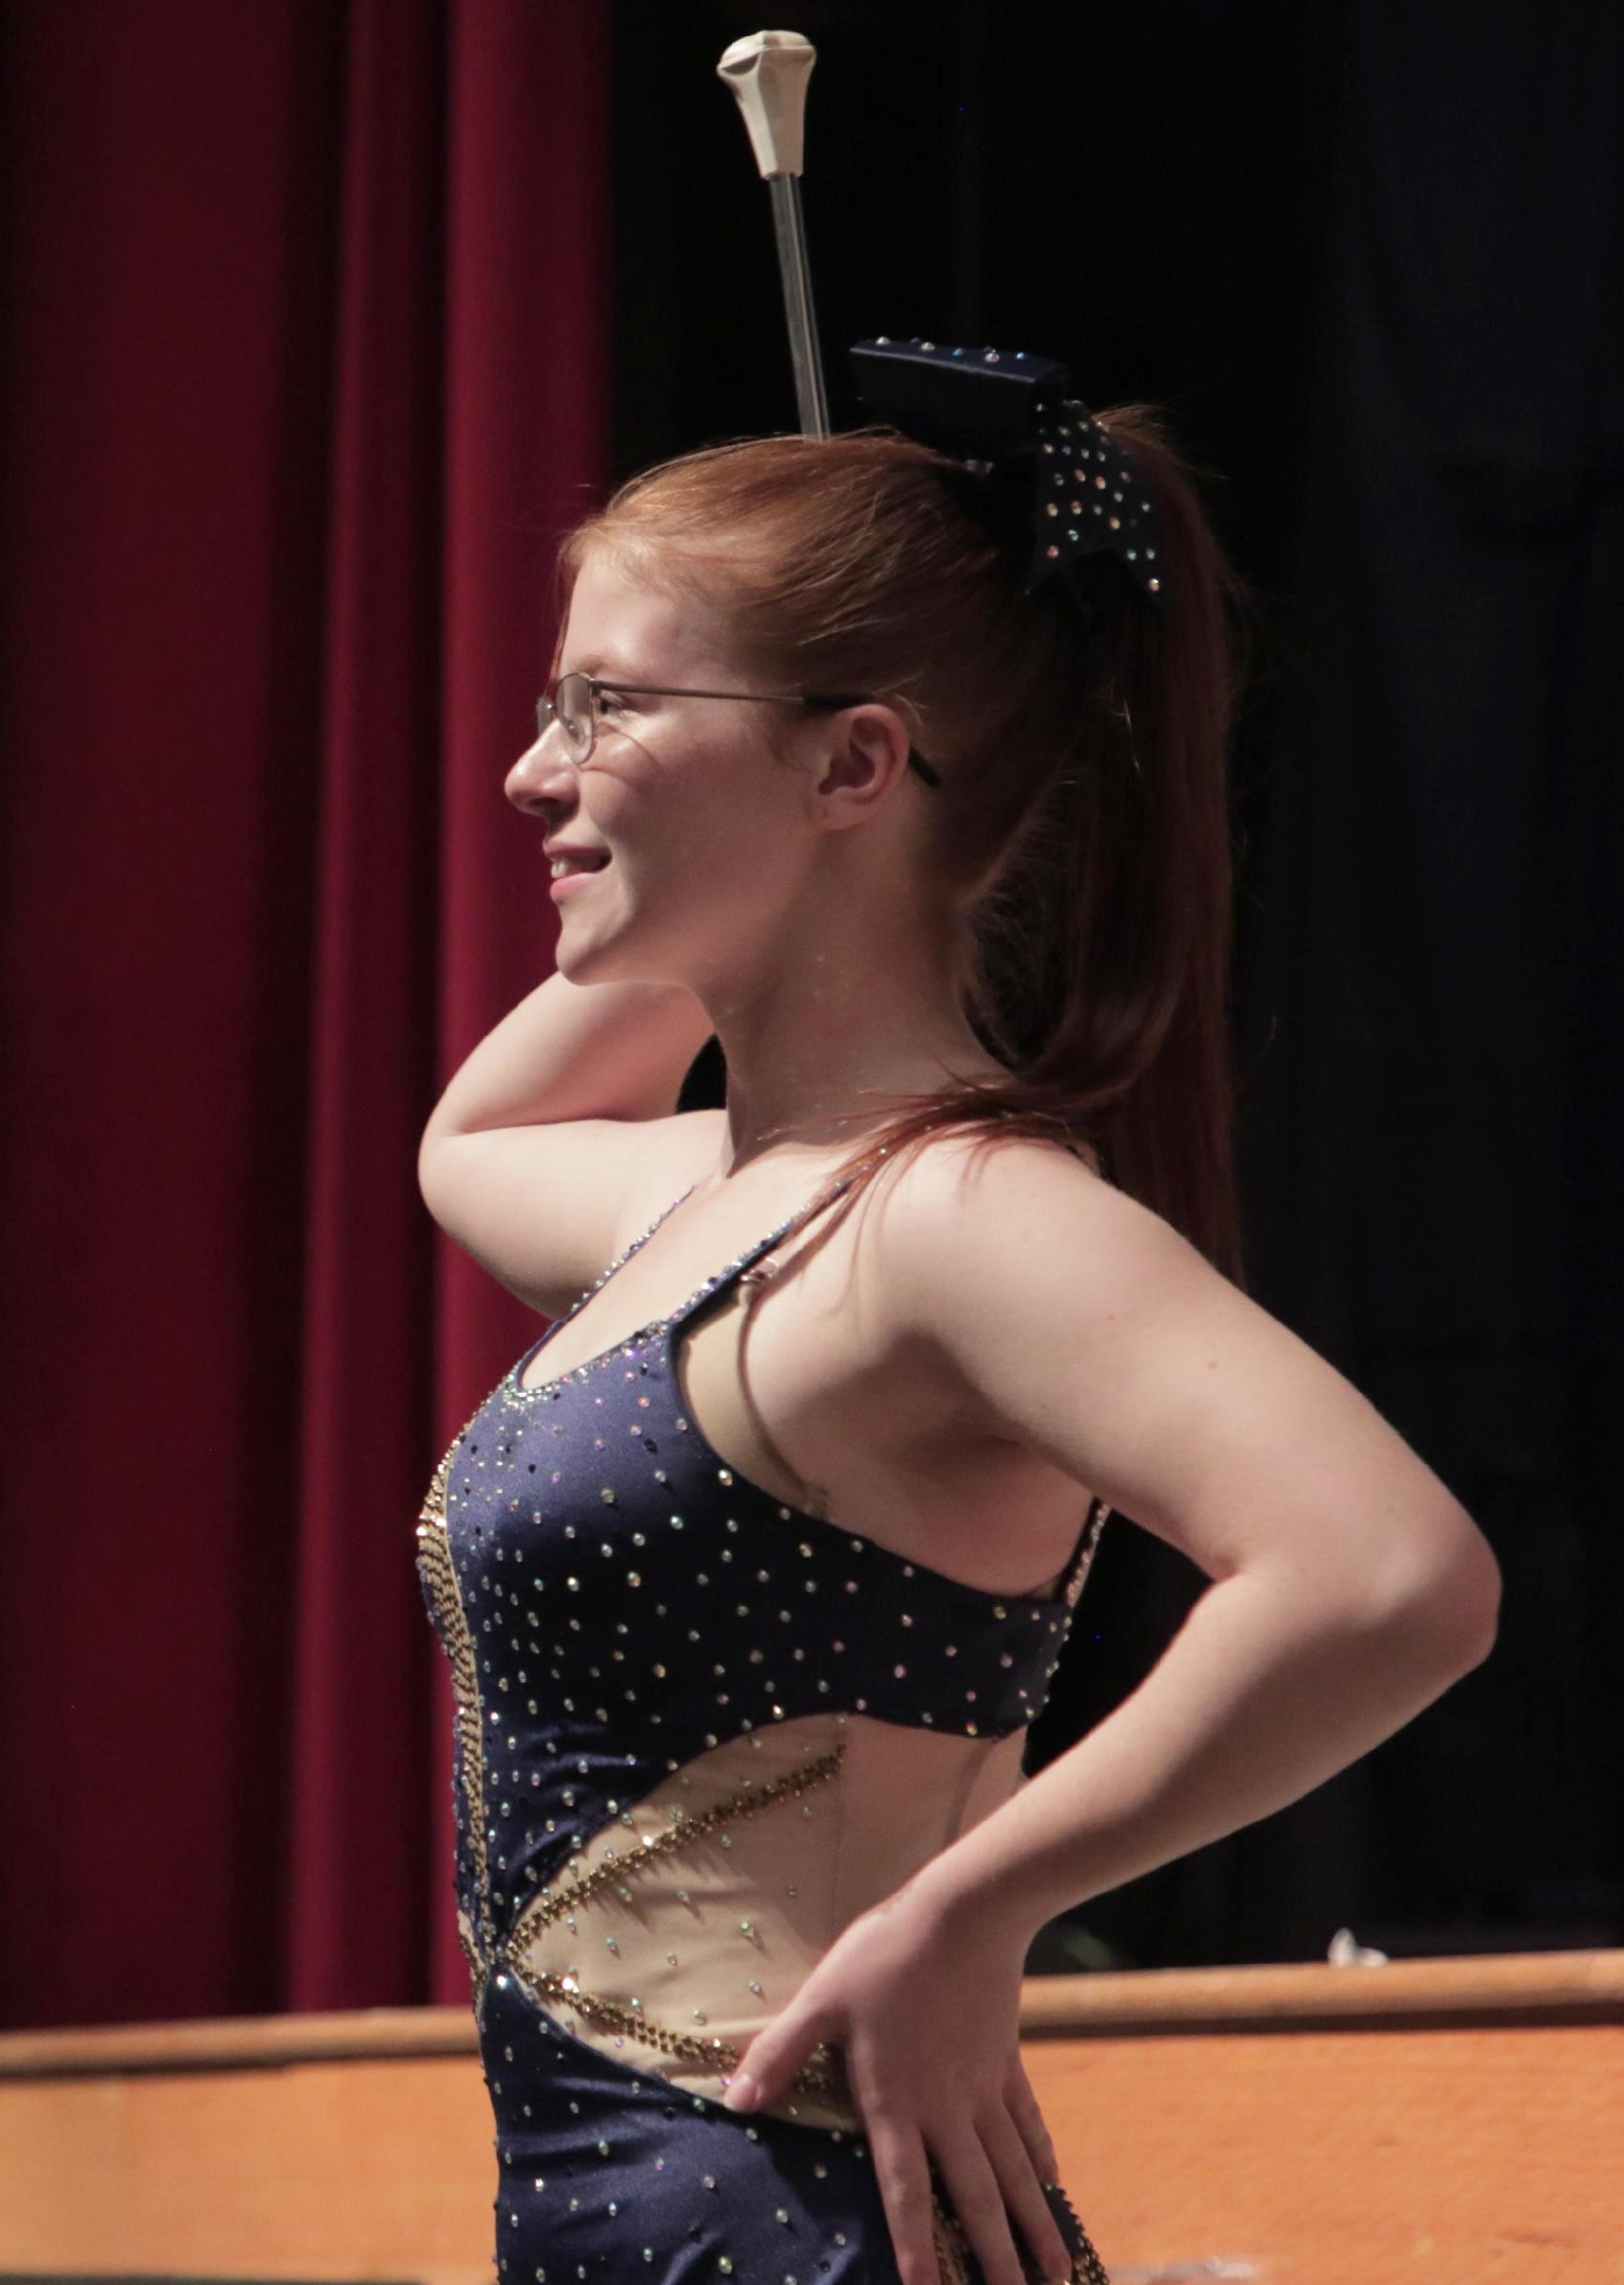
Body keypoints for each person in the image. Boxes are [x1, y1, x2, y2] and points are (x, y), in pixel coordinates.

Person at [412, 352, 1498, 2285]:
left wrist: (980, 1907)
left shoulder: (957, 1218)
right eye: (549, 704)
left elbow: (1392, 1574)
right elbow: (470, 1142)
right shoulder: (705, 1196)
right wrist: (721, 862)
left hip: (815, 2236)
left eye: (608, 705)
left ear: (855, 764)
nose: (530, 771)